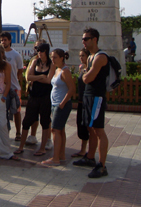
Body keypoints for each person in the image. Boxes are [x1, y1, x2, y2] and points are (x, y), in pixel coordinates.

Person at [73, 28, 109, 178]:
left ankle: (101, 165)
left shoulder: (100, 57)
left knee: (98, 130)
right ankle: (90, 157)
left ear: (94, 39)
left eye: (86, 39)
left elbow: (87, 78)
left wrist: (86, 73)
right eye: (83, 39)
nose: (84, 42)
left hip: (96, 97)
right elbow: (86, 76)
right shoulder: (90, 57)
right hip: (87, 96)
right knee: (91, 128)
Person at [14, 43, 52, 156]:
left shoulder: (51, 64)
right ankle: (21, 146)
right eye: (38, 51)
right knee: (27, 121)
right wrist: (41, 77)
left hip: (45, 96)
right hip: (34, 96)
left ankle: (42, 147)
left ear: (46, 51)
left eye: (41, 51)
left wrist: (36, 79)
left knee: (45, 121)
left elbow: (49, 80)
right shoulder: (35, 62)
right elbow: (28, 77)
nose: (39, 53)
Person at [40, 49, 75, 166]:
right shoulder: (56, 69)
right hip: (55, 103)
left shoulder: (65, 71)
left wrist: (63, 103)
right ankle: (61, 155)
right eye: (52, 57)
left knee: (55, 130)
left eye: (55, 57)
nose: (53, 59)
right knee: (60, 130)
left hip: (61, 104)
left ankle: (55, 158)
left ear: (61, 58)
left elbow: (72, 89)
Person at [0, 32, 24, 141]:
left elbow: (20, 70)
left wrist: (15, 80)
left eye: (5, 40)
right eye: (1, 40)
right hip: (2, 88)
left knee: (16, 111)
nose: (3, 42)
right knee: (3, 112)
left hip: (14, 87)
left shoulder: (16, 55)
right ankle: (5, 133)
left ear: (9, 40)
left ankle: (18, 132)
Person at [72, 48, 91, 158]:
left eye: (83, 55)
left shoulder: (91, 69)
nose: (81, 57)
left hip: (88, 101)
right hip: (80, 101)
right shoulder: (81, 68)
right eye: (80, 55)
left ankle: (89, 151)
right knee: (81, 125)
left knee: (89, 126)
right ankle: (82, 149)